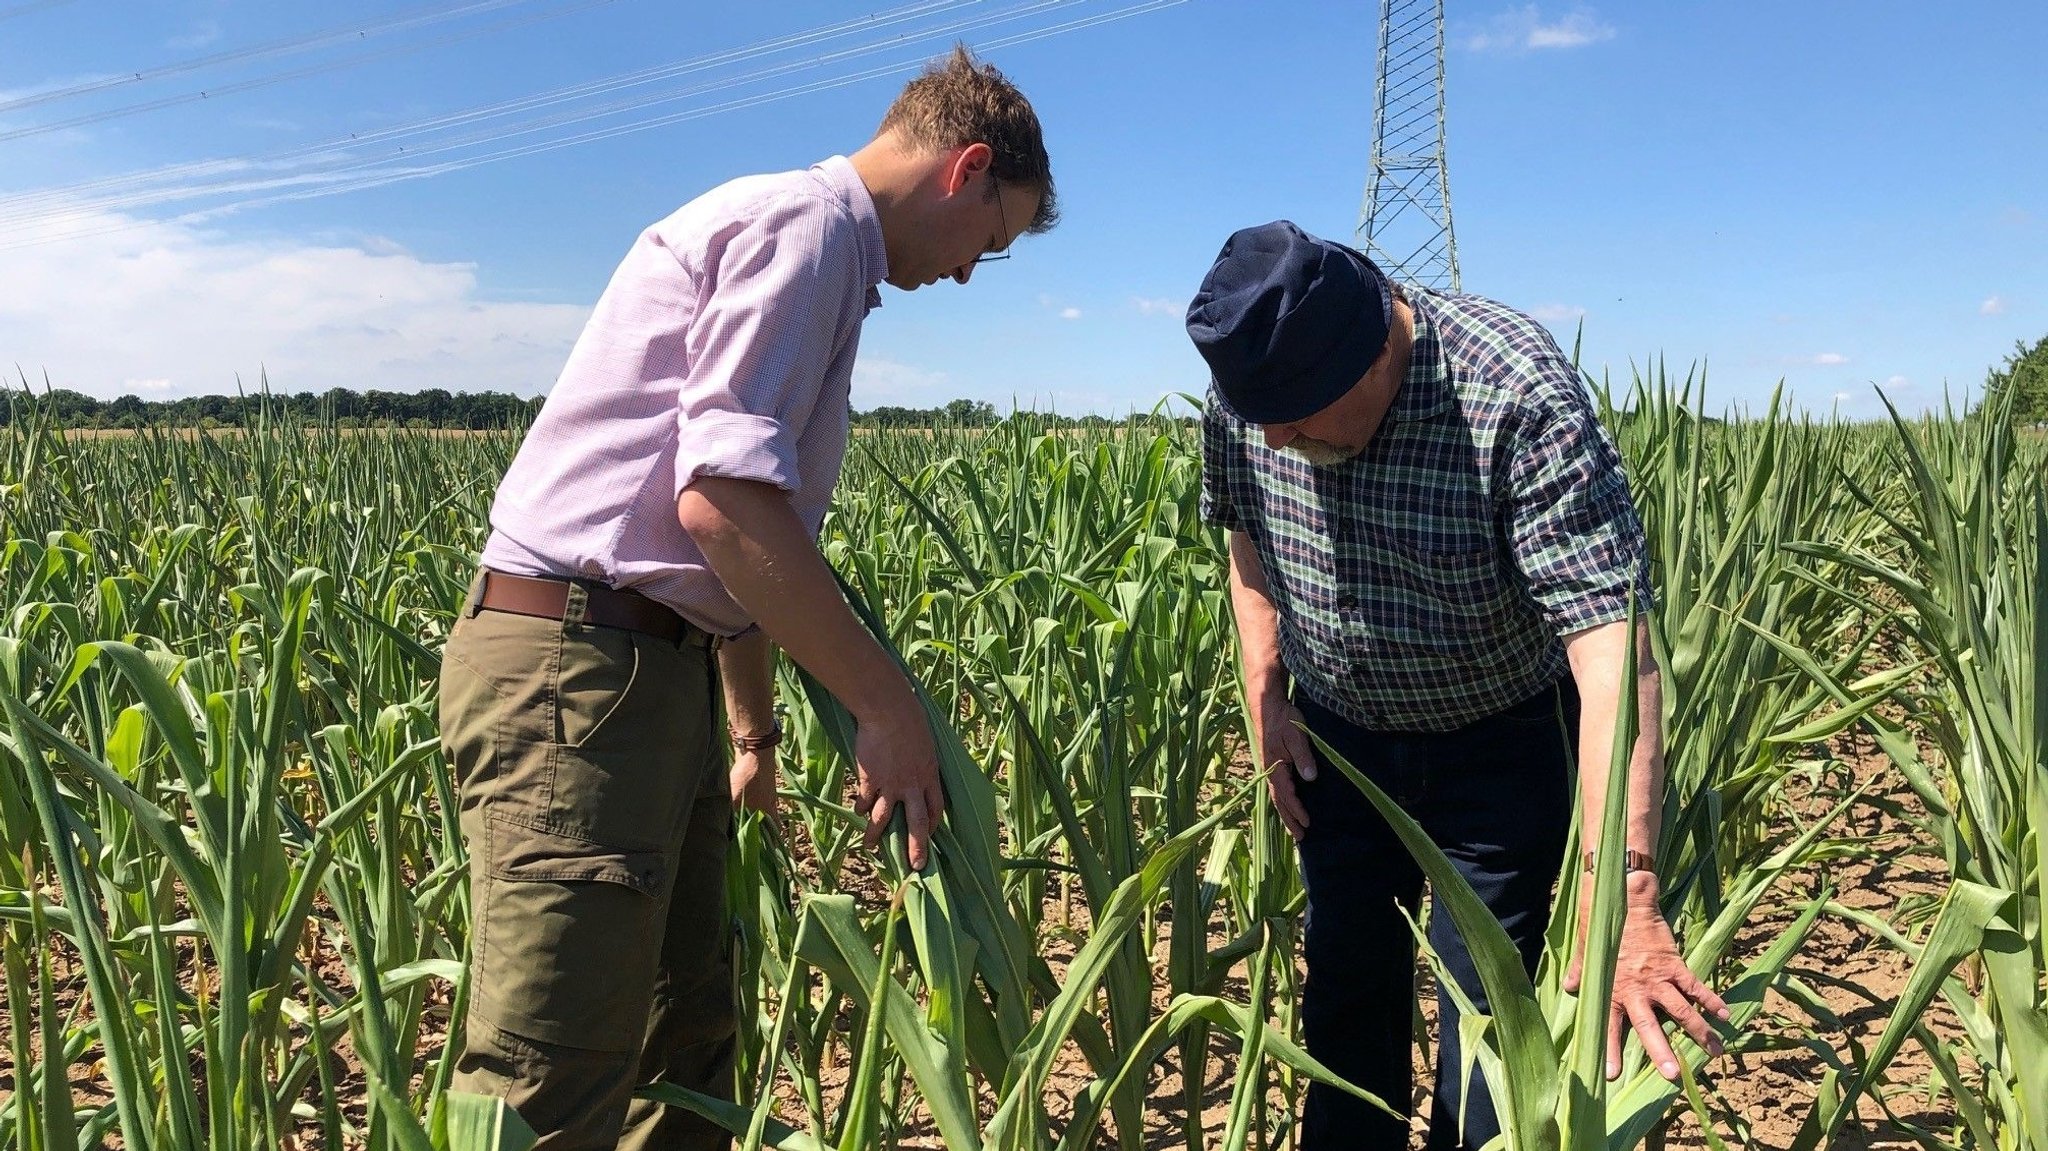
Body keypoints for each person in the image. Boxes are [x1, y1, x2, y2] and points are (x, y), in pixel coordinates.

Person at [435, 46, 1056, 1150]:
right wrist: (884, 706)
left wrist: (753, 732)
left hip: (644, 672)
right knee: (550, 1072)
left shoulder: (819, 256)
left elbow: (741, 546)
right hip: (576, 674)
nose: (971, 270)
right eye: (992, 241)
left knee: (686, 1041)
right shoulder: (803, 232)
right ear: (966, 169)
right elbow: (719, 502)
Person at [1184, 221, 1727, 1150]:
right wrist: (1267, 697)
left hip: (1500, 749)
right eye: (1260, 417)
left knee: (1487, 1035)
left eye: (1300, 418)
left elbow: (1615, 647)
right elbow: (1245, 538)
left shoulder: (1513, 393)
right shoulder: (1260, 390)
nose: (1273, 437)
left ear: (1375, 354)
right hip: (1341, 748)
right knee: (1347, 1009)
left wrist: (1628, 890)